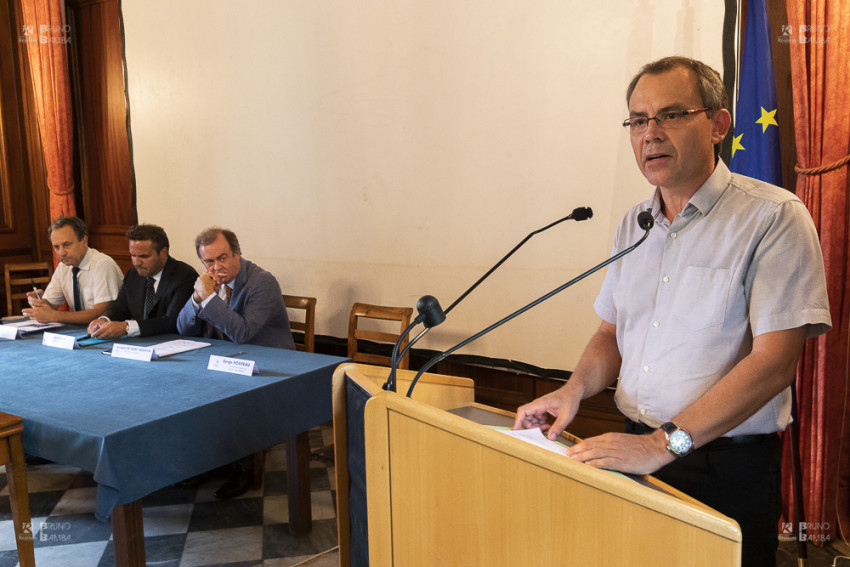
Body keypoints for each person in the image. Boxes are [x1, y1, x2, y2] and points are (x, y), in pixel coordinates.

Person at [513, 56, 831, 566]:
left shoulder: (773, 218)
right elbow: (610, 331)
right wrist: (572, 391)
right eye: (638, 120)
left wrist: (665, 443)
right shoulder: (633, 223)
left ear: (718, 125)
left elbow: (775, 362)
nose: (650, 133)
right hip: (633, 445)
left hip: (723, 466)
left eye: (671, 115)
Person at [176, 226, 295, 498]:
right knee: (187, 387)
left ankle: (242, 468)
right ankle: (204, 463)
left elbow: (243, 333)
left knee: (232, 393)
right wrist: (196, 298)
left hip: (269, 364)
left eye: (223, 258)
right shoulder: (206, 283)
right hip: (226, 360)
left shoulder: (262, 282)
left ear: (238, 253)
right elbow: (182, 328)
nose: (217, 267)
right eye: (209, 261)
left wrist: (207, 299)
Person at [87, 224, 197, 339]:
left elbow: (172, 322)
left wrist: (127, 327)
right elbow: (119, 308)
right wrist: (104, 319)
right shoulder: (133, 275)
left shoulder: (185, 276)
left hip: (174, 343)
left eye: (143, 256)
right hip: (142, 345)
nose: (136, 263)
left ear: (163, 252)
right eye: (133, 255)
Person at [23, 216, 123, 325]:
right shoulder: (63, 267)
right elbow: (50, 307)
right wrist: (40, 302)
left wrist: (54, 316)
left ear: (84, 241)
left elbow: (101, 314)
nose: (61, 253)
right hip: (80, 331)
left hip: (109, 333)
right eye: (56, 247)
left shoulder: (103, 265)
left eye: (66, 245)